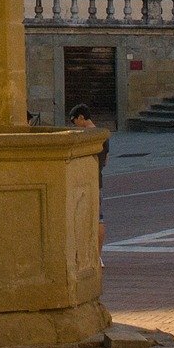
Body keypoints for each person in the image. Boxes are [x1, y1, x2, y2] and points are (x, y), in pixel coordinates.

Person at [70, 104, 107, 253]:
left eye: (74, 121)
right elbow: (106, 160)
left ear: (81, 117)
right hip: (98, 178)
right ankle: (98, 254)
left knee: (84, 217)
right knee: (99, 218)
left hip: (86, 180)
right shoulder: (102, 136)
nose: (75, 125)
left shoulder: (86, 137)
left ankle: (87, 254)